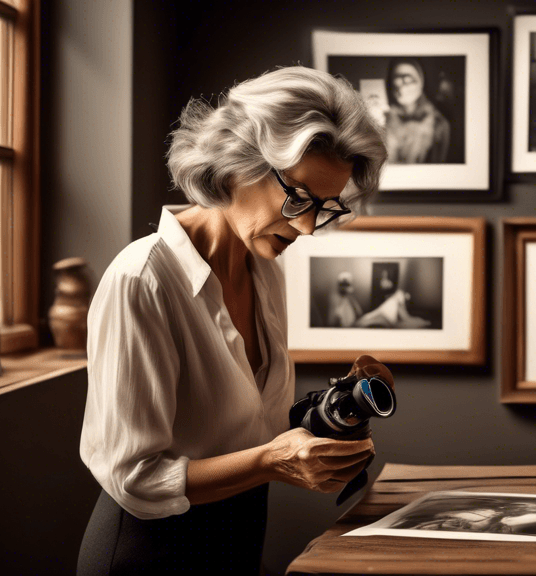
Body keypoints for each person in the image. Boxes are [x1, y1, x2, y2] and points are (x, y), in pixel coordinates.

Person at [77, 66, 388, 575]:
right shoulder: (143, 279)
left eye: (326, 208)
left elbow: (248, 430)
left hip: (237, 539)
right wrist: (273, 462)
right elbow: (132, 476)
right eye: (299, 197)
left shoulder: (264, 270)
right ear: (237, 161)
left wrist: (338, 416)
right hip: (149, 552)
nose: (308, 227)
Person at [384, 58, 451, 164]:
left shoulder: (438, 124)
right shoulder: (384, 122)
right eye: (395, 80)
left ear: (421, 83)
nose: (401, 87)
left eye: (409, 80)